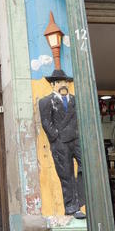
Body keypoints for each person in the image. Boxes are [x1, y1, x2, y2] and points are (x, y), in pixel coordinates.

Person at [39, 69, 86, 219]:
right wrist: (56, 138)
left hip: (76, 140)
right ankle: (72, 207)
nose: (63, 84)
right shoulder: (46, 101)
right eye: (59, 82)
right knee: (66, 175)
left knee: (85, 168)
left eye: (65, 81)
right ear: (53, 84)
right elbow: (46, 122)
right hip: (60, 144)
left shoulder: (74, 100)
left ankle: (82, 201)